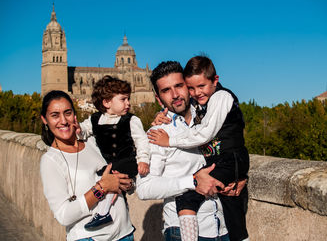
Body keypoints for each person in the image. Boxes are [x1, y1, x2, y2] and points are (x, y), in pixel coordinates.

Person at [137, 61, 244, 241]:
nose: (175, 95)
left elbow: (232, 146)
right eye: (166, 90)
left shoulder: (210, 117)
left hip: (222, 227)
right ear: (158, 98)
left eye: (179, 86)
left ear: (188, 86)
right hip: (182, 231)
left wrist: (239, 175)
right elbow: (144, 189)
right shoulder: (157, 135)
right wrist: (192, 181)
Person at [40, 90, 135, 241]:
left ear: (74, 115)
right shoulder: (51, 160)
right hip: (90, 238)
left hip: (125, 234)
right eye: (55, 115)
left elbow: (123, 180)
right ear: (45, 120)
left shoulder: (92, 142)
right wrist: (101, 188)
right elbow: (64, 215)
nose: (63, 120)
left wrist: (127, 183)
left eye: (68, 113)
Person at [76, 75, 150, 229]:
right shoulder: (95, 119)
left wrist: (143, 160)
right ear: (106, 102)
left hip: (127, 162)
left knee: (109, 179)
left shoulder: (132, 120)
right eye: (123, 99)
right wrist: (77, 129)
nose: (128, 103)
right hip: (108, 164)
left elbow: (142, 141)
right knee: (102, 178)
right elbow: (83, 131)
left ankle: (103, 214)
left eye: (128, 99)